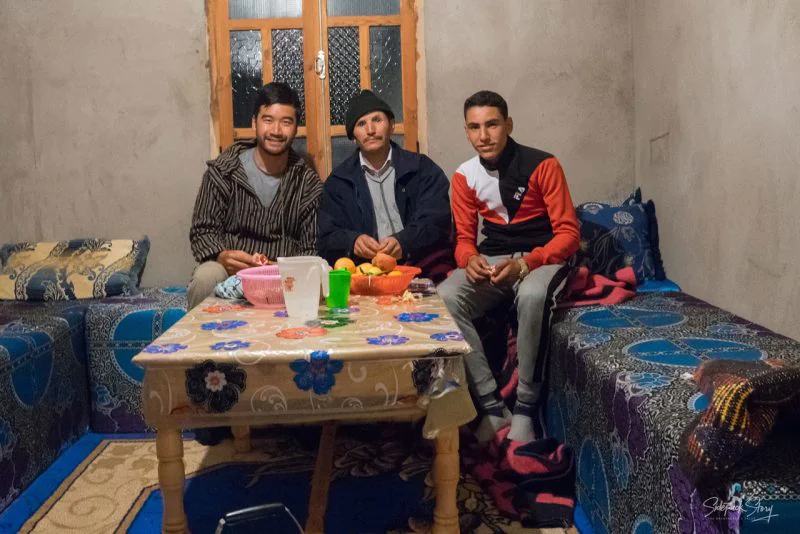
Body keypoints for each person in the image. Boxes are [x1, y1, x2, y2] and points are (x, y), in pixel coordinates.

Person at [438, 90, 580, 444]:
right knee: (443, 297)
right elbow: (465, 240)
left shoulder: (543, 164)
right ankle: (491, 407)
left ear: (508, 125)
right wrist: (469, 260)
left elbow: (568, 234)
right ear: (466, 131)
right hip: (496, 258)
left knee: (532, 295)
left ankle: (525, 410)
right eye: (474, 127)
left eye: (491, 125)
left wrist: (526, 264)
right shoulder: (463, 176)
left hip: (542, 255)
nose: (483, 136)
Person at [188, 82, 322, 310]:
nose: (276, 131)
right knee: (205, 276)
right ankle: (203, 344)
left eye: (286, 122)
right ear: (254, 123)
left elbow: (312, 247)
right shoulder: (223, 171)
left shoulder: (308, 183)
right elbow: (202, 231)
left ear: (296, 128)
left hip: (282, 277)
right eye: (268, 120)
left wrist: (280, 269)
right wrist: (222, 256)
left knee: (317, 277)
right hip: (229, 271)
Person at [317, 90, 454, 283]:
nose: (370, 129)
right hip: (368, 276)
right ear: (352, 136)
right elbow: (326, 238)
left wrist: (404, 242)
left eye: (377, 120)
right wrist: (352, 241)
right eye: (361, 124)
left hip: (423, 269)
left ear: (391, 125)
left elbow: (437, 221)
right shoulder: (339, 181)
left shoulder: (422, 169)